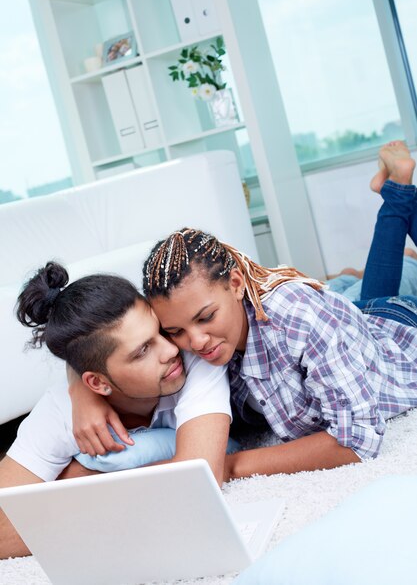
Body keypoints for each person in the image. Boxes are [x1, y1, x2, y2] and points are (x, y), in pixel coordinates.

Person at [71, 140, 417, 478]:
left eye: (206, 317)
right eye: (176, 331)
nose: (197, 342)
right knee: (360, 293)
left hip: (399, 330)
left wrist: (231, 465)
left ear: (237, 285)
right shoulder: (175, 338)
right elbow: (100, 339)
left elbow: (358, 441)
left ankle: (396, 203)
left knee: (381, 293)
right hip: (352, 320)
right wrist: (84, 393)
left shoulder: (299, 316)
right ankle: (392, 199)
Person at [0, 264, 233, 559]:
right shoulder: (59, 412)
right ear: (97, 383)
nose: (170, 350)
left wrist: (80, 479)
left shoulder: (192, 359)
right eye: (143, 351)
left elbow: (199, 481)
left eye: (160, 331)